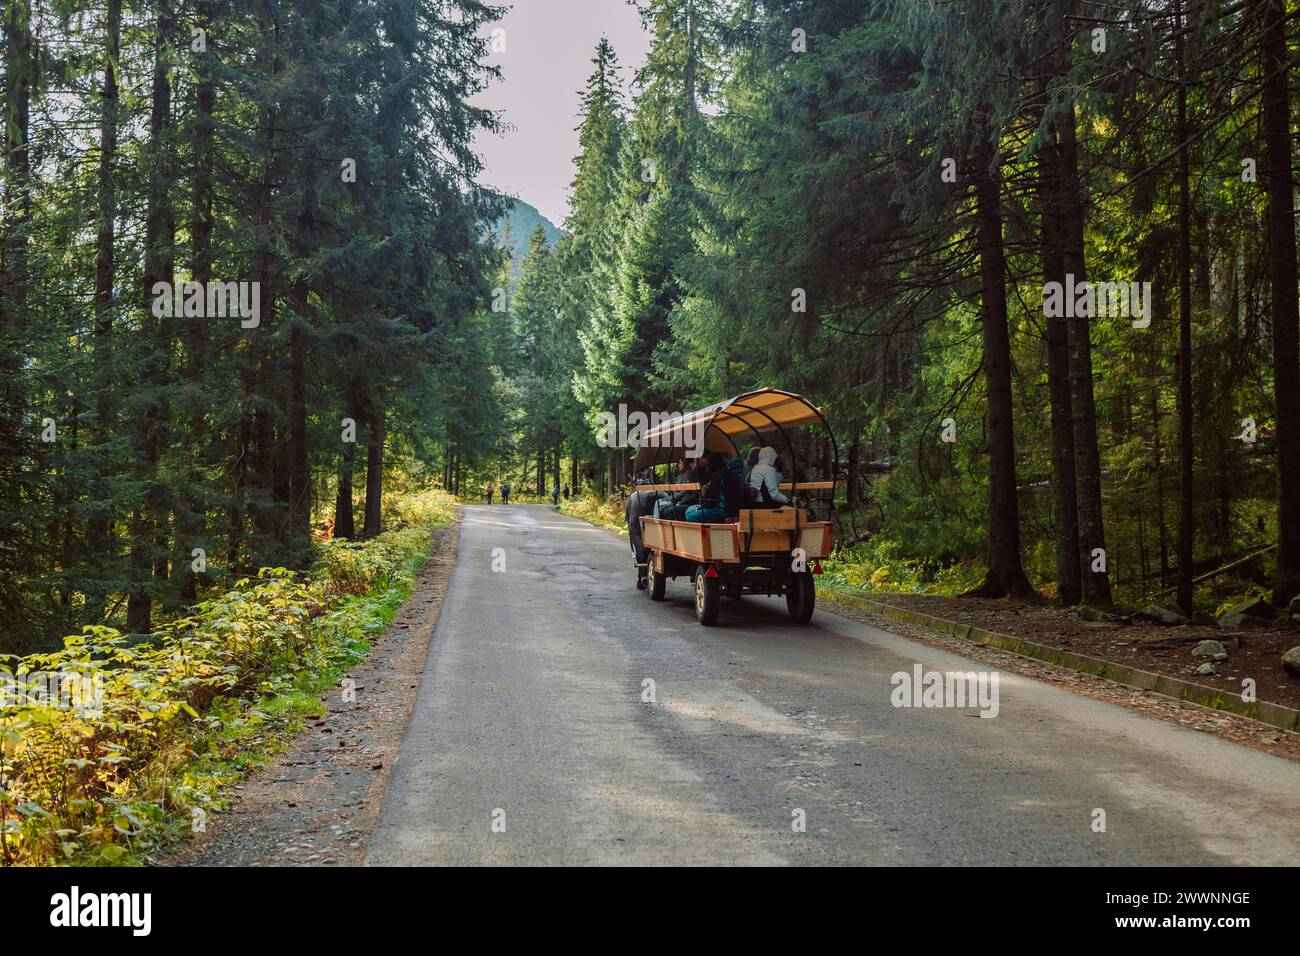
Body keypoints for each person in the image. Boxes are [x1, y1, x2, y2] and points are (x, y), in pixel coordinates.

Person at [685, 452, 747, 523]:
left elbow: (712, 499)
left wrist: (702, 506)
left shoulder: (717, 476)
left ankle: (711, 529)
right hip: (733, 508)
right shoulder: (728, 472)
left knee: (690, 515)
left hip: (725, 510)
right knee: (690, 509)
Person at [654, 455, 705, 520]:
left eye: (680, 463)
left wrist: (678, 501)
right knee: (660, 504)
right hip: (681, 500)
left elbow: (686, 492)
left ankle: (659, 523)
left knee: (664, 507)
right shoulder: (685, 475)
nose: (678, 465)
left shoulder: (689, 475)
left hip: (687, 501)